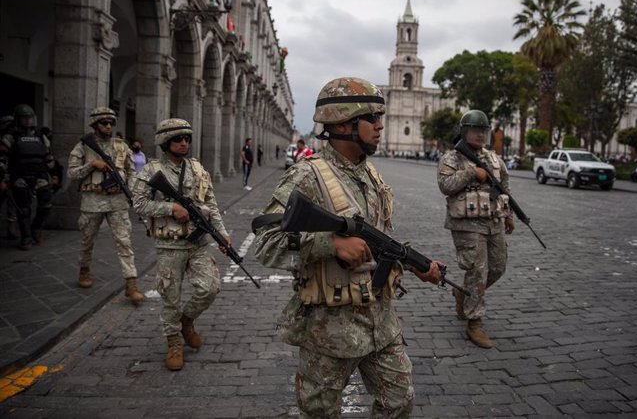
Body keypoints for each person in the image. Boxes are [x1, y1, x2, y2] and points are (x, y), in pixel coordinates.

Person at [254, 77, 442, 417]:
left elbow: (380, 239)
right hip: (329, 329)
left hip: (381, 324)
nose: (381, 126)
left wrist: (416, 264)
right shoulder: (306, 177)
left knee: (399, 402)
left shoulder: (372, 176)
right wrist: (330, 244)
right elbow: (265, 243)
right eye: (372, 118)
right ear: (343, 122)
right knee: (320, 411)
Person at [132, 118, 231, 371]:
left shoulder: (198, 169)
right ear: (165, 143)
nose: (184, 143)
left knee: (209, 287)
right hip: (169, 245)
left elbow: (212, 202)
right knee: (170, 297)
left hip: (197, 243)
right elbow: (139, 203)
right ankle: (174, 341)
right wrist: (170, 208)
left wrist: (222, 234)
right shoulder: (152, 170)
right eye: (177, 139)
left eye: (186, 138)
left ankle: (187, 321)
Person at [437, 109, 514, 349]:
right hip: (467, 224)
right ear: (464, 131)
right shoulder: (452, 158)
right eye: (475, 130)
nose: (480, 135)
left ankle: (465, 293)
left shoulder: (494, 159)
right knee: (477, 271)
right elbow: (445, 185)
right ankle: (474, 322)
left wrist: (509, 214)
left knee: (498, 267)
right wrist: (472, 172)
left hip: (493, 222)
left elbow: (505, 186)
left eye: (483, 131)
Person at [67, 107, 145, 304]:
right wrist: (91, 165)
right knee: (87, 240)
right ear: (95, 125)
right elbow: (72, 174)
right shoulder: (83, 147)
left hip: (117, 201)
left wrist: (132, 189)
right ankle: (84, 269)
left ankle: (131, 282)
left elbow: (132, 170)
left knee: (124, 242)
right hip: (92, 201)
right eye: (104, 123)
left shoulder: (121, 146)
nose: (108, 126)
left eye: (111, 123)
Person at [0, 105, 58, 249]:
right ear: (18, 120)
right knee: (23, 209)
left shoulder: (40, 136)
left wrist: (55, 175)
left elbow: (49, 157)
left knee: (46, 205)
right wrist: (2, 178)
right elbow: (2, 158)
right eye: (25, 119)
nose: (28, 121)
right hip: (20, 176)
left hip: (40, 175)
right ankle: (26, 237)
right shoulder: (11, 136)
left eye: (30, 118)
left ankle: (36, 228)